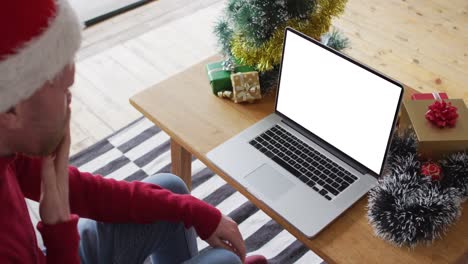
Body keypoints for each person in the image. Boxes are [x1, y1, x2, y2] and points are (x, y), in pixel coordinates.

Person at [0, 0, 268, 263]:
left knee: (171, 190)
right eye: (63, 91)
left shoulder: (7, 147)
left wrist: (198, 213)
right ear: (12, 109)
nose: (70, 102)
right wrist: (59, 232)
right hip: (59, 253)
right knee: (224, 260)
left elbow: (88, 194)